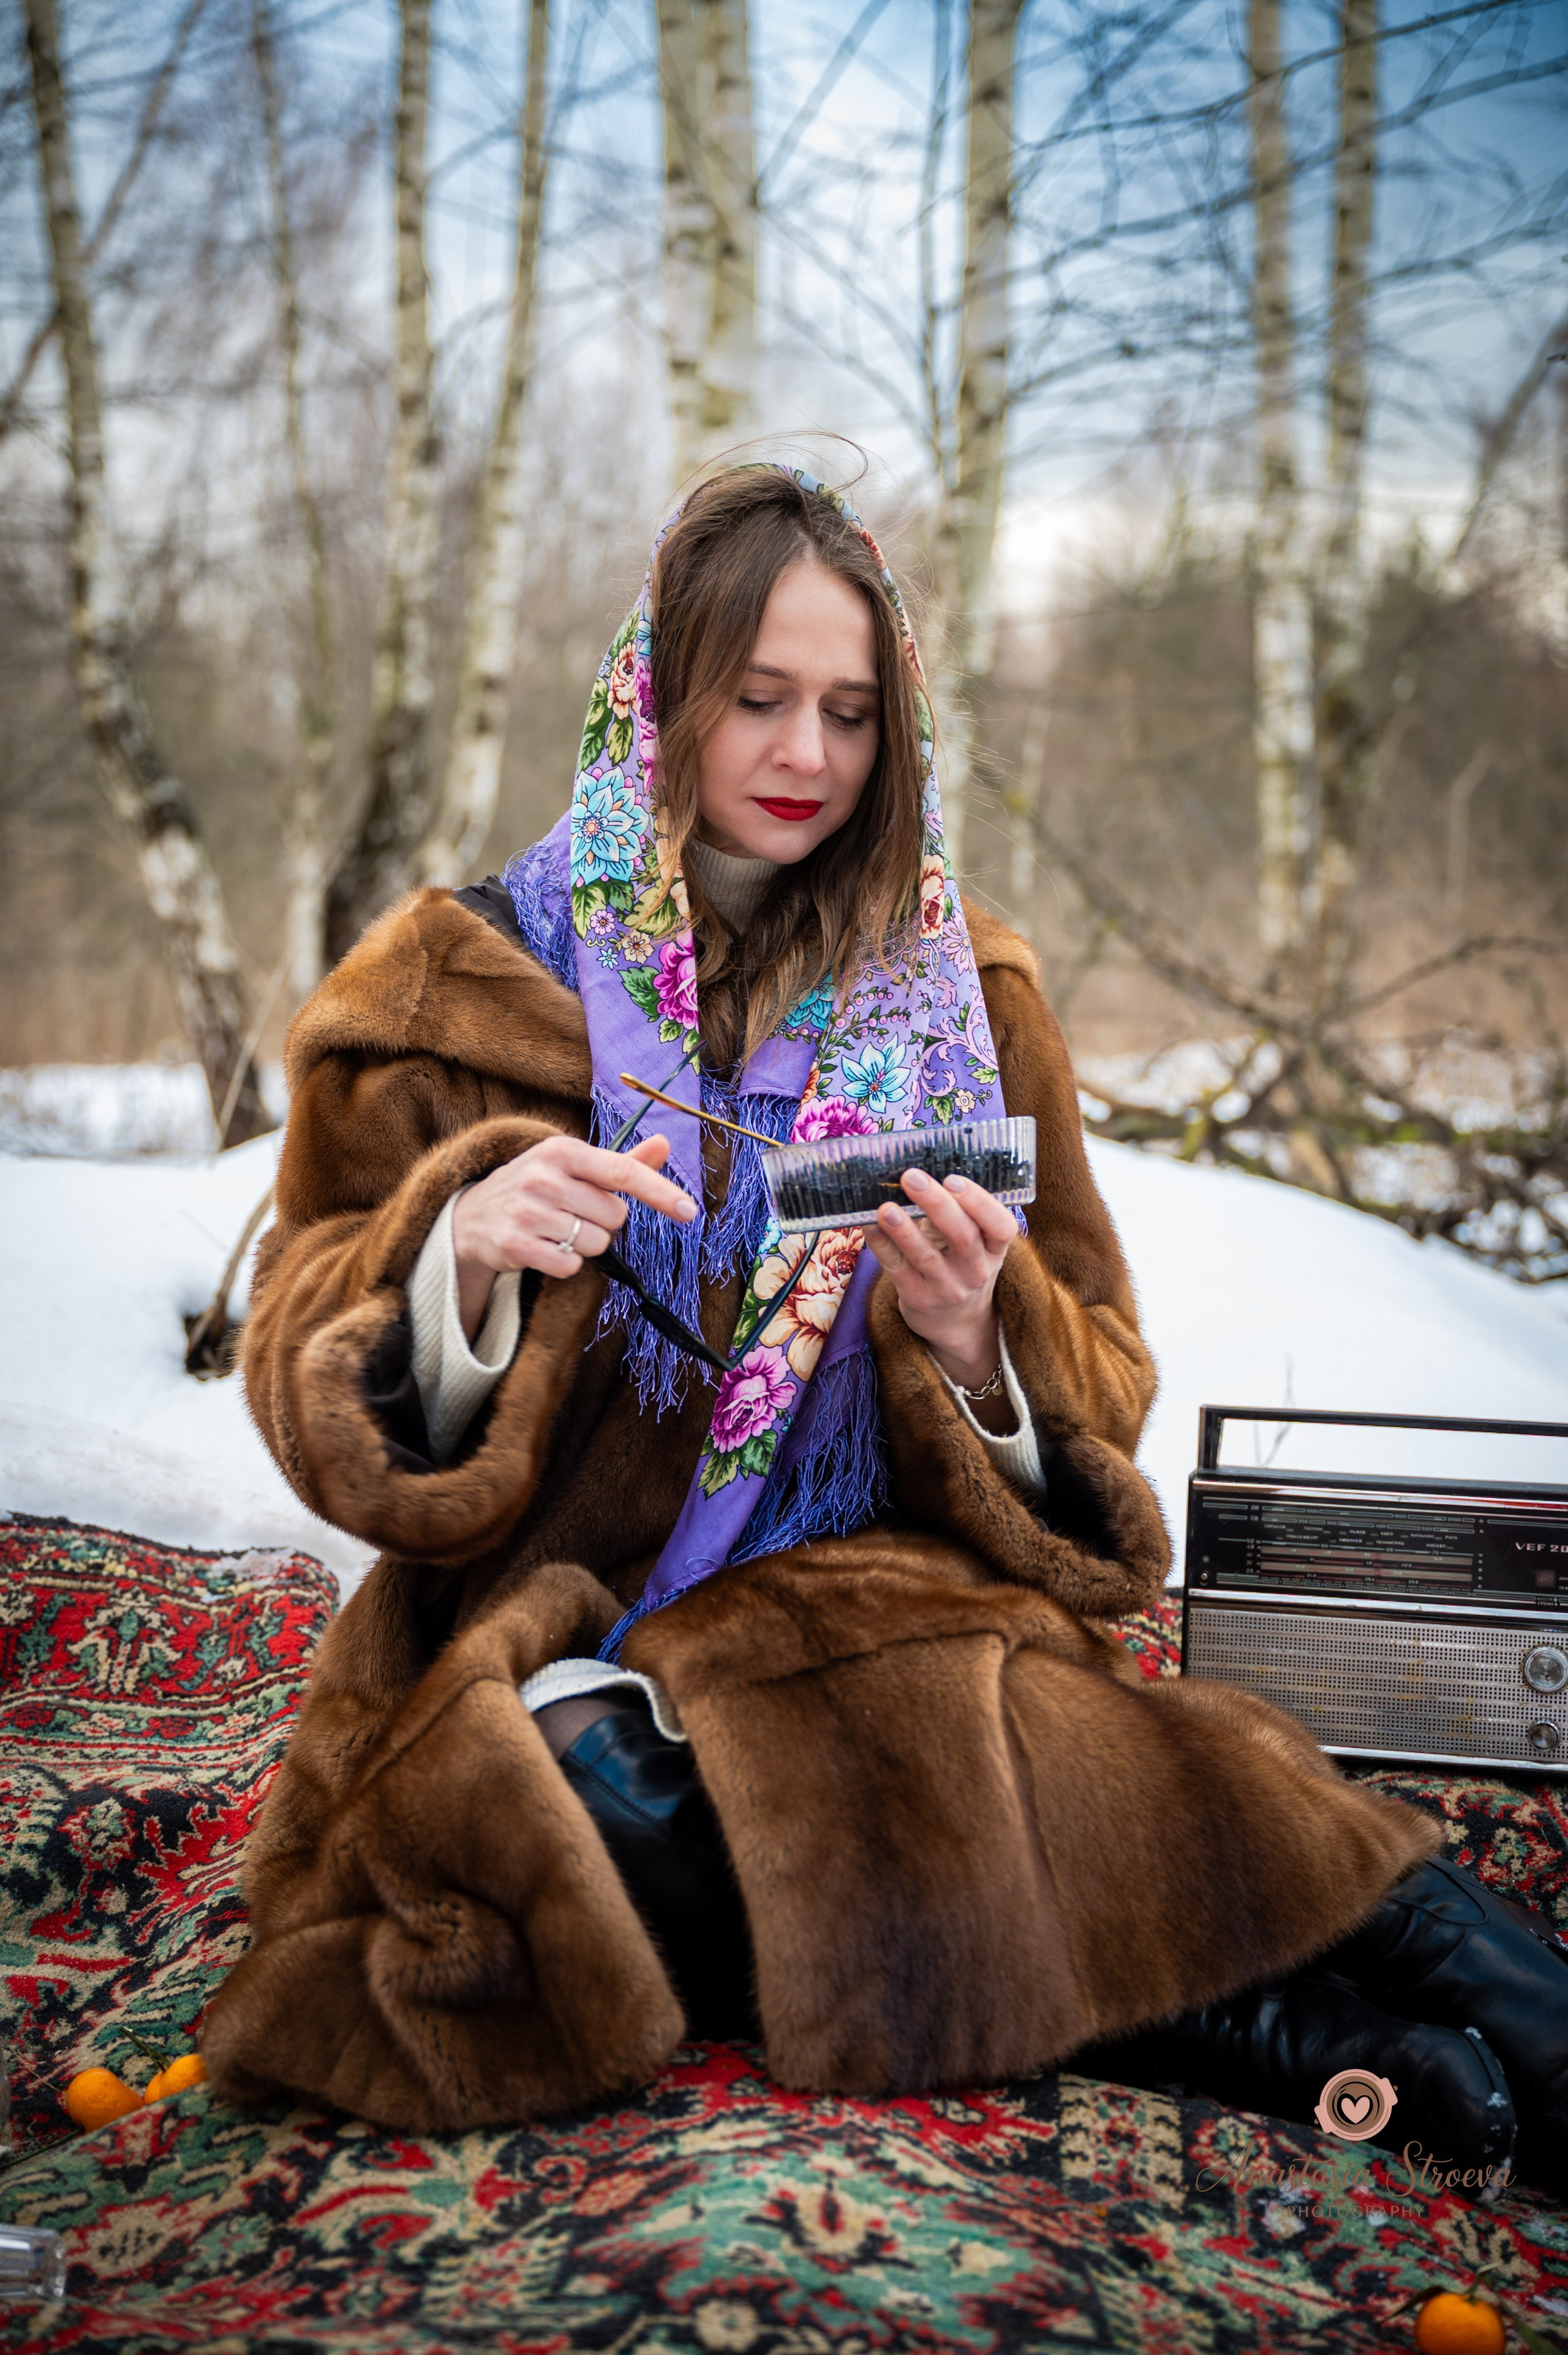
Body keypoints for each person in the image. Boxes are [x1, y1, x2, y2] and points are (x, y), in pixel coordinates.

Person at [204, 466, 1566, 2188]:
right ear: (658, 695)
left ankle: (1448, 1999)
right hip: (558, 1619)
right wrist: (453, 1260)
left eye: (852, 711)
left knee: (1112, 1772)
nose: (808, 753)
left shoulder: (961, 991)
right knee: (572, 1795)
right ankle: (1270, 2030)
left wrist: (980, 1344)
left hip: (885, 1597)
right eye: (757, 698)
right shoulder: (450, 987)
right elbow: (300, 1340)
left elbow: (1103, 1372)